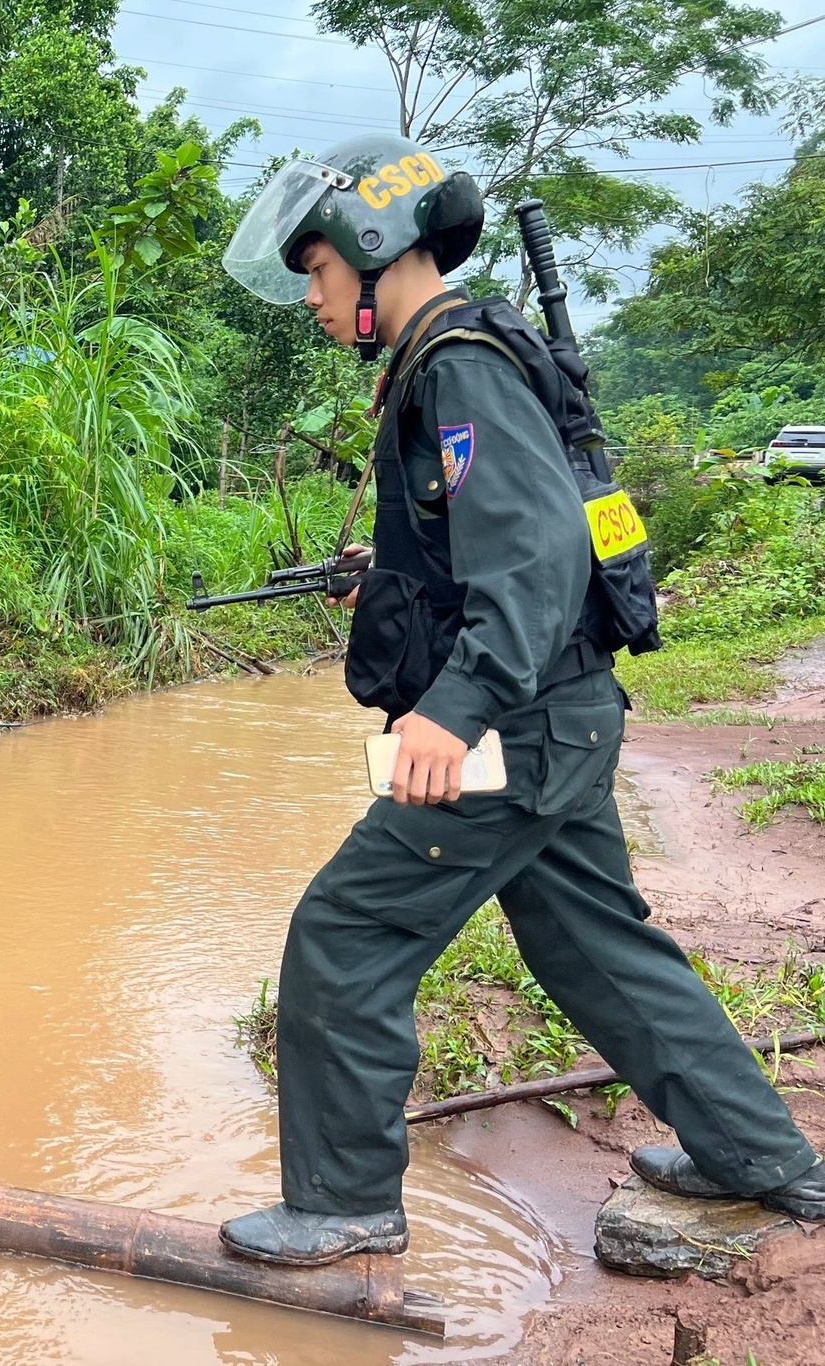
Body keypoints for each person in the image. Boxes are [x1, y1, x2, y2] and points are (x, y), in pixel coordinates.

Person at [212, 133, 824, 1267]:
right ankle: (762, 1159)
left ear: (371, 243)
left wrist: (451, 709)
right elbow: (487, 539)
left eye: (315, 270)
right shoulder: (457, 353)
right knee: (596, 946)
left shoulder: (456, 362)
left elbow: (536, 556)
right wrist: (388, 572)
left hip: (516, 722)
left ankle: (343, 1205)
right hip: (565, 713)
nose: (308, 294)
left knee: (343, 935)